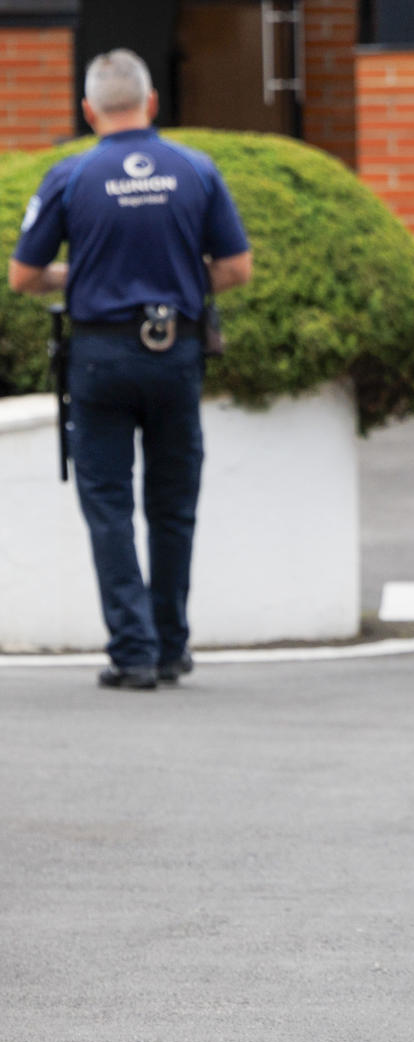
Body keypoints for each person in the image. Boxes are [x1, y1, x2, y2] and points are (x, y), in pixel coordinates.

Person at [8, 48, 252, 691]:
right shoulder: (197, 169)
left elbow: (23, 276)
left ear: (89, 111)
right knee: (173, 506)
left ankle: (134, 651)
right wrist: (174, 279)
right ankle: (172, 647)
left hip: (99, 359)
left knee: (109, 508)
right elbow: (234, 270)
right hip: (174, 352)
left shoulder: (69, 176)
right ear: (151, 103)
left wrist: (81, 275)